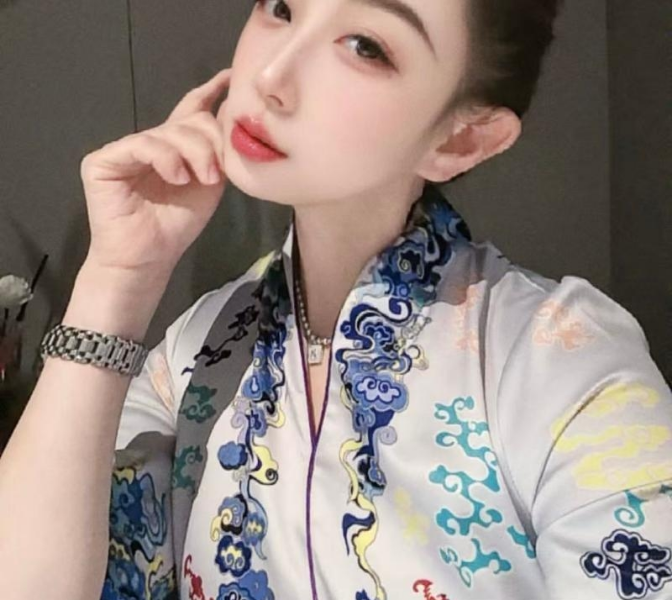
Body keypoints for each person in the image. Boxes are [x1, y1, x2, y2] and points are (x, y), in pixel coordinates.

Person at [1, 0, 670, 598]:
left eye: (365, 46)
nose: (271, 75)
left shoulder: (563, 368)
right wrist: (117, 280)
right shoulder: (197, 352)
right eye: (280, 7)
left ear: (461, 137)